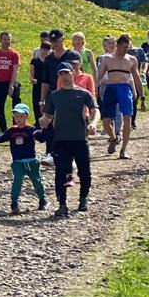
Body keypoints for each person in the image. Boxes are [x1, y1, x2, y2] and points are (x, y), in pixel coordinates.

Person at [39, 64, 96, 218]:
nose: (64, 76)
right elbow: (48, 116)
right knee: (61, 173)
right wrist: (43, 121)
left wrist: (93, 123)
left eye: (66, 73)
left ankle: (83, 198)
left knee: (85, 172)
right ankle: (62, 205)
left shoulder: (83, 93)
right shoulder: (54, 96)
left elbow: (95, 110)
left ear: (73, 73)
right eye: (61, 74)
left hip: (80, 139)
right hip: (60, 140)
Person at [0, 103, 47, 215]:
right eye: (16, 116)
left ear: (27, 116)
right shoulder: (11, 130)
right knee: (17, 181)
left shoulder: (31, 129)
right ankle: (14, 203)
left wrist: (45, 128)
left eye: (22, 116)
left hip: (31, 160)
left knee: (36, 180)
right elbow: (0, 139)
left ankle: (42, 199)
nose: (19, 119)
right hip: (17, 161)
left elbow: (41, 139)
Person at [95, 33, 142, 159]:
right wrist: (94, 88)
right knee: (106, 121)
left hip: (124, 88)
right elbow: (100, 75)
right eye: (124, 47)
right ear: (118, 45)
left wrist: (141, 95)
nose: (126, 49)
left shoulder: (132, 59)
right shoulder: (107, 59)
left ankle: (123, 149)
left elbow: (136, 78)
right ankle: (113, 138)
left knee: (127, 118)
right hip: (111, 88)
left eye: (128, 47)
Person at [40, 30, 81, 163]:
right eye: (52, 41)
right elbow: (45, 81)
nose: (54, 44)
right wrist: (42, 100)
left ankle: (72, 153)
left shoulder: (73, 55)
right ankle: (50, 153)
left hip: (70, 93)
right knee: (49, 123)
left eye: (56, 41)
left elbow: (79, 75)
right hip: (53, 93)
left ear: (63, 39)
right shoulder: (49, 59)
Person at [0, 31, 21, 133]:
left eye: (9, 39)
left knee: (16, 105)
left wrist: (11, 86)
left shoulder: (14, 54)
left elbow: (15, 70)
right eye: (5, 39)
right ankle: (4, 129)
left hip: (12, 82)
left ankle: (16, 126)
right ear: (0, 40)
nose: (7, 42)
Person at [29, 36, 50, 143]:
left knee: (47, 104)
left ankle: (47, 123)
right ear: (40, 49)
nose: (45, 51)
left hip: (47, 85)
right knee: (36, 104)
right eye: (43, 49)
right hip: (37, 85)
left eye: (47, 49)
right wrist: (32, 79)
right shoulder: (35, 61)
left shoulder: (50, 61)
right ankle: (38, 124)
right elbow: (31, 73)